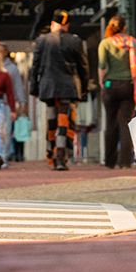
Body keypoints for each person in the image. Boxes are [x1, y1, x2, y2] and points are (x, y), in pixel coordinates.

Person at [30, 9, 89, 171]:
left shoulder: (42, 40)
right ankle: (61, 156)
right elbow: (83, 67)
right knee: (64, 122)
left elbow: (34, 67)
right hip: (68, 87)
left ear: (52, 25)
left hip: (48, 87)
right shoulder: (75, 41)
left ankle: (51, 152)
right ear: (67, 25)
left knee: (51, 121)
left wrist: (34, 88)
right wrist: (83, 88)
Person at [98, 15, 136, 169]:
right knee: (126, 123)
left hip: (110, 85)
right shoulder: (133, 42)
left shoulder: (105, 43)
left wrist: (102, 83)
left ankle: (109, 161)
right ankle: (125, 161)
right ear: (124, 27)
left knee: (110, 123)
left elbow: (102, 66)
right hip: (128, 86)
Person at [0, 42, 25, 164]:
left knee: (7, 131)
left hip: (7, 104)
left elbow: (18, 86)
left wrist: (21, 102)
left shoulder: (12, 68)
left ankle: (4, 157)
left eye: (1, 51)